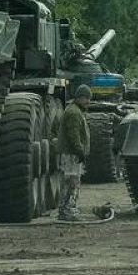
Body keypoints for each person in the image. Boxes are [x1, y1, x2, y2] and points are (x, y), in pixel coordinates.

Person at [56, 86, 92, 222]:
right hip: (72, 155)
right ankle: (68, 211)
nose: (88, 102)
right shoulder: (74, 113)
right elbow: (74, 136)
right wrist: (80, 151)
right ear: (80, 97)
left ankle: (66, 210)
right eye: (86, 98)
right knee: (72, 183)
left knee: (70, 182)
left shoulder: (74, 110)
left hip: (71, 154)